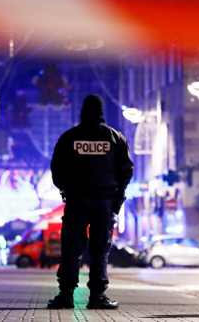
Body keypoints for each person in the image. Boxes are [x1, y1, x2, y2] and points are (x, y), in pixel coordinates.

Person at [47, 94, 134, 310]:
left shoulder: (69, 137)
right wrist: (118, 194)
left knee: (71, 248)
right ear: (102, 113)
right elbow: (127, 169)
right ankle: (97, 296)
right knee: (99, 250)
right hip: (105, 201)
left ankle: (66, 295)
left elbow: (57, 167)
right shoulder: (115, 138)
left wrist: (64, 189)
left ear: (82, 112)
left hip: (77, 200)